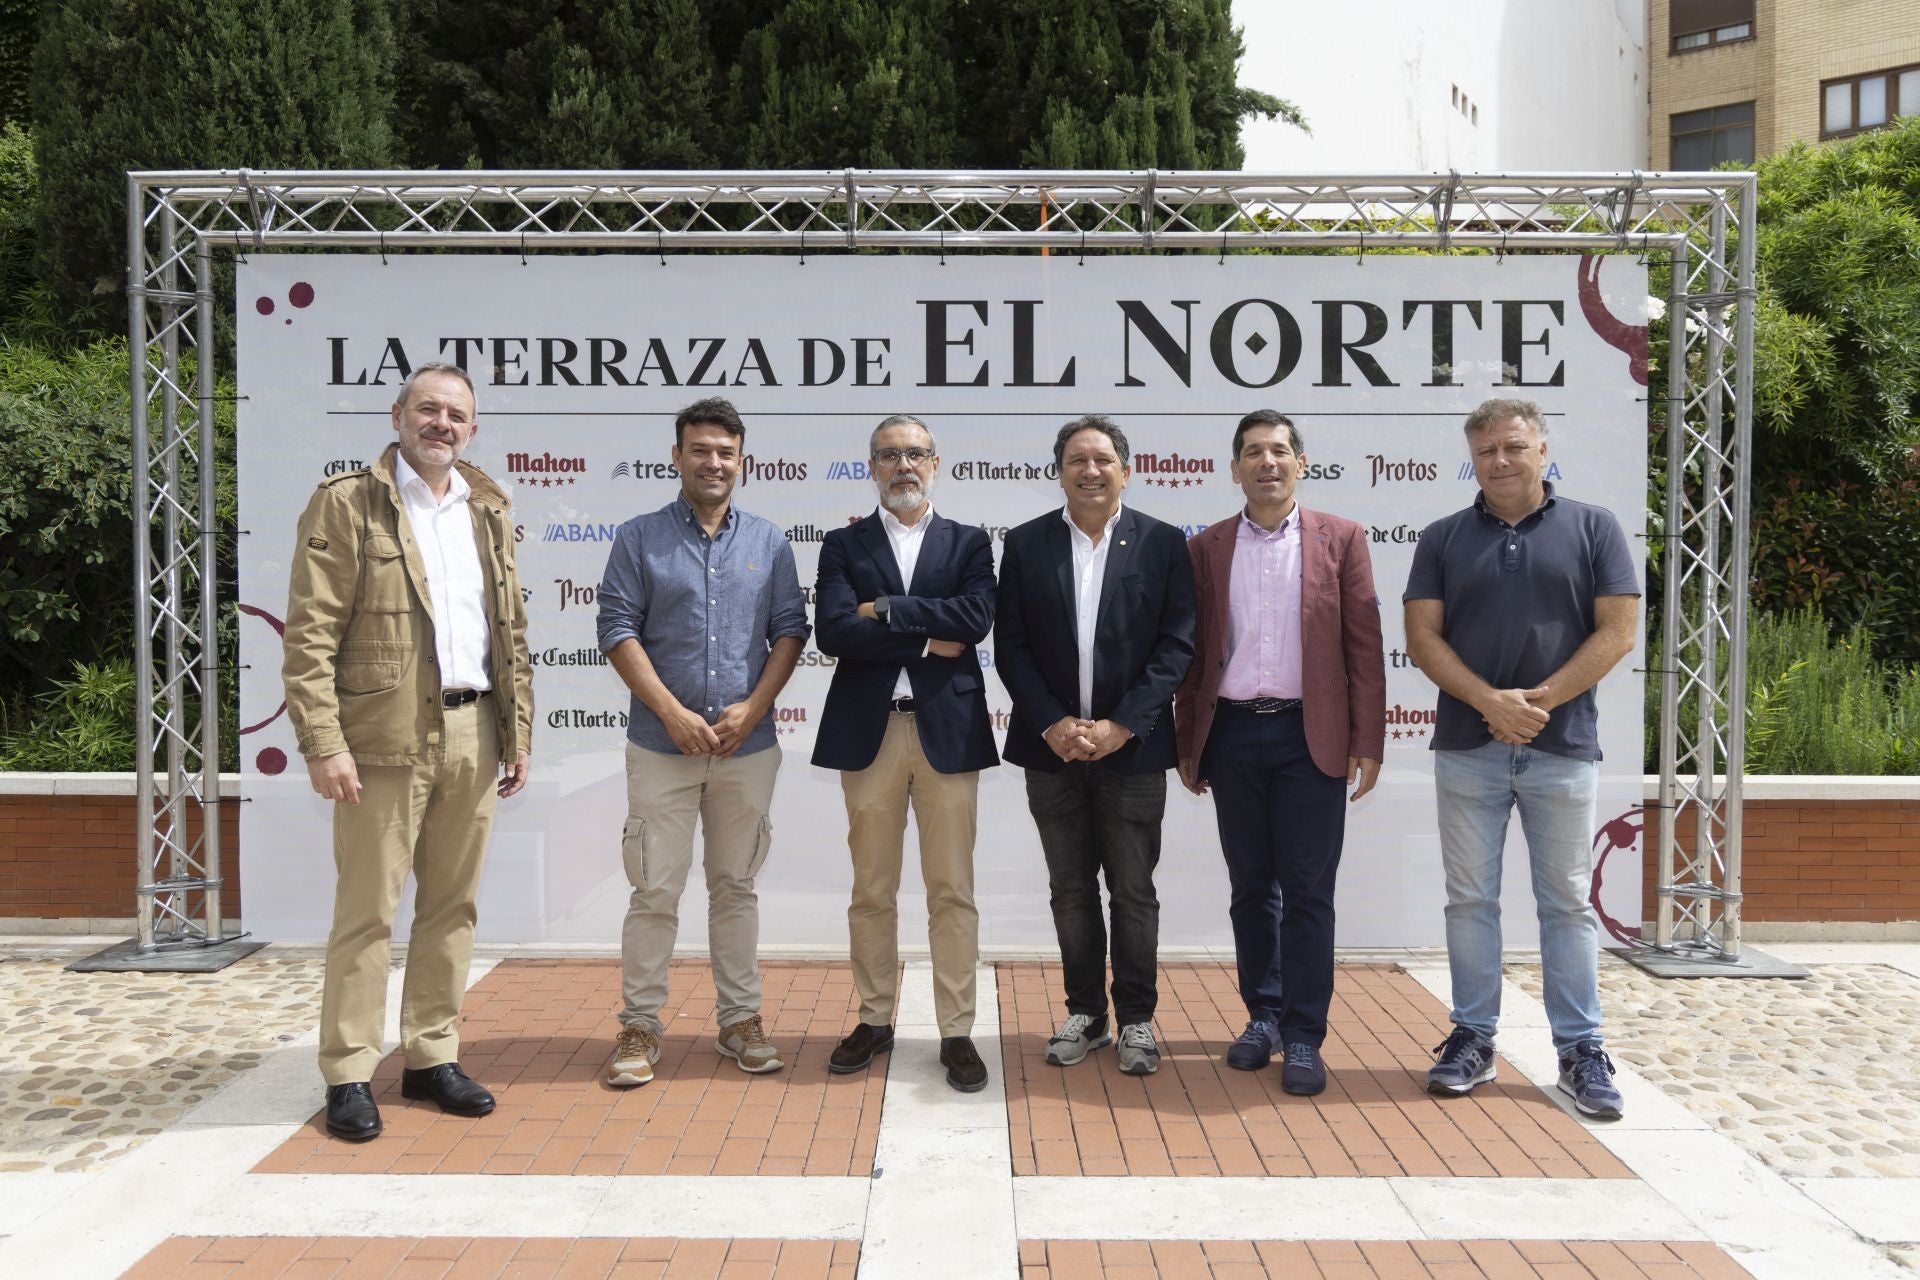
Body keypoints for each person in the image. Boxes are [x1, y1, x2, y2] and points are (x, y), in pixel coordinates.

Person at [283, 360, 533, 1142]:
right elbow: (310, 633)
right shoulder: (347, 502)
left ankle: (430, 1056)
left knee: (452, 907)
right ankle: (348, 1073)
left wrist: (516, 732)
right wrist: (324, 742)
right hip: (382, 739)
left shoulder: (487, 507)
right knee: (366, 912)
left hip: (474, 731)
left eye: (455, 415)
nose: (441, 425)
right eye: (428, 409)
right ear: (397, 416)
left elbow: (509, 630)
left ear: (472, 429)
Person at [1403, 397, 1639, 1120]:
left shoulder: (1595, 527)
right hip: (1468, 750)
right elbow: (1422, 637)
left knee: (1566, 903)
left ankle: (1581, 1051)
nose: (1500, 461)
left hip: (1562, 750)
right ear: (1472, 461)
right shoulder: (1442, 537)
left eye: (1513, 447)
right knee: (1470, 901)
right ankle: (1473, 1038)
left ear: (1542, 451)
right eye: (1486, 452)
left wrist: (1536, 703)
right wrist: (1489, 703)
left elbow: (1619, 631)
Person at [595, 396, 809, 1088]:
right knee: (654, 890)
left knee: (736, 888)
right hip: (662, 747)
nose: (713, 462)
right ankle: (639, 1026)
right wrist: (671, 712)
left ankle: (740, 1020)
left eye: (725, 452)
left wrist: (754, 707)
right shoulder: (639, 538)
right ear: (677, 456)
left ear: (742, 461)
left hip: (748, 749)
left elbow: (789, 630)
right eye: (700, 450)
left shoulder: (769, 542)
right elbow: (616, 629)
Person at [1175, 410, 1385, 1096]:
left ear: (1301, 464)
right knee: (1250, 889)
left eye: (1279, 450)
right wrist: (1188, 741)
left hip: (1309, 737)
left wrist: (1367, 740)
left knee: (1308, 894)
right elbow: (1193, 656)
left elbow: (1364, 647)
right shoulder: (1206, 547)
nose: (1267, 462)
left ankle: (1302, 1035)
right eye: (1253, 452)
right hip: (1233, 735)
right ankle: (1261, 1016)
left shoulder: (1341, 539)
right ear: (1234, 469)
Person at [994, 415, 1196, 1075]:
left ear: (1125, 471)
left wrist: (1122, 725)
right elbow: (1011, 644)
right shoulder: (1026, 543)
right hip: (1050, 750)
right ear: (1059, 473)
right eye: (1077, 460)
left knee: (1133, 891)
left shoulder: (1162, 543)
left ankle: (1136, 1018)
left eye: (1102, 460)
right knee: (1070, 890)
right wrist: (1052, 721)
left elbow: (1176, 646)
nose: (1090, 471)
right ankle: (1086, 1012)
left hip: (1131, 752)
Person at [813, 415, 998, 1094]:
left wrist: (883, 608)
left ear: (935, 463)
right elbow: (834, 632)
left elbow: (974, 621)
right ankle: (874, 1019)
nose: (903, 466)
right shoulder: (843, 543)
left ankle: (956, 1030)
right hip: (871, 735)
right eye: (889, 455)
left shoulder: (969, 541)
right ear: (872, 467)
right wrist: (923, 636)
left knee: (952, 890)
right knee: (872, 890)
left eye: (915, 453)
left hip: (947, 731)